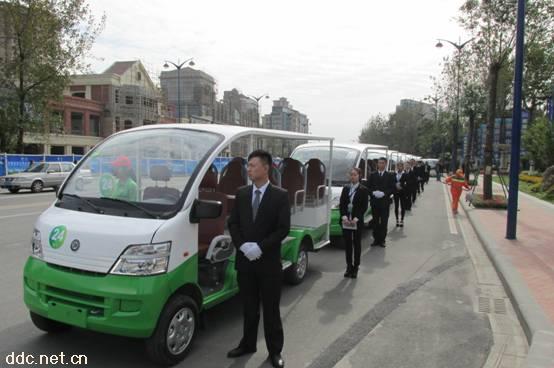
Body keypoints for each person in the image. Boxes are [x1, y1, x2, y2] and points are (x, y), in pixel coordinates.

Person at [227, 150, 290, 368]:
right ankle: (247, 343)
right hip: (245, 261)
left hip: (268, 263)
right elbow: (233, 223)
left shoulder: (280, 196)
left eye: (253, 165)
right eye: (248, 165)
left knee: (271, 309)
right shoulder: (242, 193)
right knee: (248, 307)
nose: (249, 169)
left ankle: (275, 351)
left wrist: (260, 247)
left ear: (266, 168)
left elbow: (283, 229)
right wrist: (242, 245)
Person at [339, 167, 369, 279]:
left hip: (356, 221)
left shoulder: (363, 189)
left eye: (355, 174)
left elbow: (364, 206)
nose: (353, 176)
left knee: (357, 244)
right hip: (346, 220)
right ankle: (348, 266)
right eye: (351, 174)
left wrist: (357, 217)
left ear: (359, 176)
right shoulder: (346, 188)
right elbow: (342, 204)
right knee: (347, 244)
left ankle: (356, 267)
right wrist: (344, 216)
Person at [367, 157, 395, 247]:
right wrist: (373, 193)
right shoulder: (372, 175)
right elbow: (368, 187)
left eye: (382, 163)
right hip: (375, 202)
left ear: (385, 164)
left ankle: (382, 240)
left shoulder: (390, 175)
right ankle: (376, 239)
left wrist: (384, 193)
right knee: (375, 222)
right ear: (377, 164)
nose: (380, 165)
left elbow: (392, 188)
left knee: (384, 222)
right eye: (379, 163)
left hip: (384, 202)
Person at [393, 162, 409, 227]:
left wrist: (402, 187)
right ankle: (397, 220)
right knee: (396, 206)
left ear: (403, 167)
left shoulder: (405, 174)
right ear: (397, 167)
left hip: (403, 192)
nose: (399, 168)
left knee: (403, 206)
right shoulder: (394, 174)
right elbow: (392, 182)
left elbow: (407, 184)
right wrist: (395, 185)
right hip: (396, 192)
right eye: (398, 166)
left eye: (401, 166)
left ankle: (402, 220)